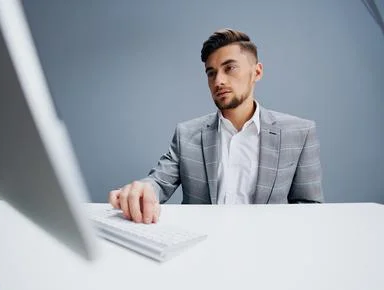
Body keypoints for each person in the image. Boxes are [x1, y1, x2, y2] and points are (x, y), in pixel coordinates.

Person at [109, 28, 324, 223]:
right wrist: (142, 191)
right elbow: (158, 183)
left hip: (267, 251)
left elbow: (309, 210)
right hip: (203, 252)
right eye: (211, 73)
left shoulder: (299, 133)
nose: (218, 81)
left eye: (229, 68)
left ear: (257, 72)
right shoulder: (187, 134)